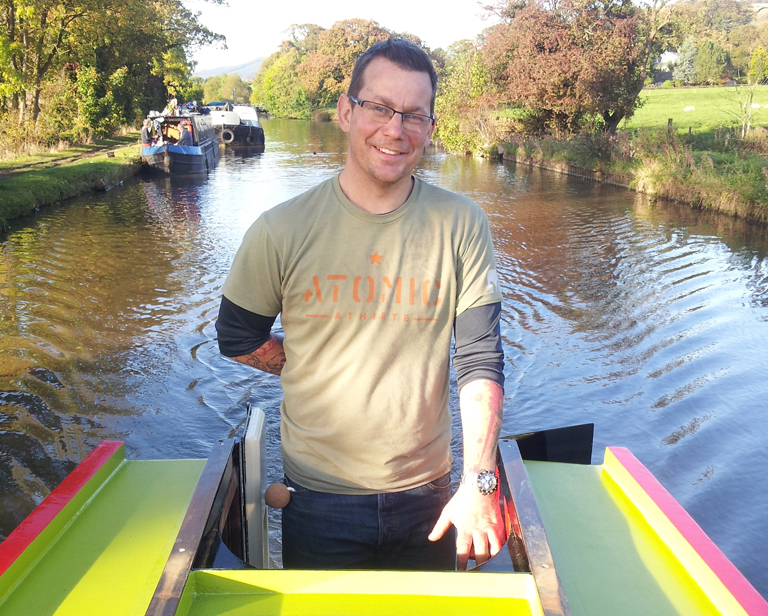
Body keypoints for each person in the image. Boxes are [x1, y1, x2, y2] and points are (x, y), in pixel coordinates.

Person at [216, 38, 506, 572]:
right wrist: (308, 362)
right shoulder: (281, 229)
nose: (396, 129)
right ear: (347, 112)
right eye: (379, 108)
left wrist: (480, 480)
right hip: (320, 502)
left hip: (430, 496)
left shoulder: (461, 224)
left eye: (414, 115)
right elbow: (237, 337)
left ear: (430, 127)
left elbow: (479, 357)